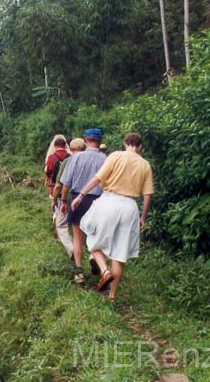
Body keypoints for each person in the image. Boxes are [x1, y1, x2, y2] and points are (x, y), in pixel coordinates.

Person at [72, 133, 154, 301]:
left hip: (109, 201)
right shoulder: (145, 165)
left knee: (92, 239)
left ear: (125, 143)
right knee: (120, 252)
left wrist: (81, 195)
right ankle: (112, 295)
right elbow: (147, 196)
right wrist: (143, 217)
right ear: (140, 147)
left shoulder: (115, 156)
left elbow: (97, 178)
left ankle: (104, 270)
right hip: (130, 207)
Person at [60, 128, 107, 284]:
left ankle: (79, 272)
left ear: (86, 141)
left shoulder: (76, 158)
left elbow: (66, 183)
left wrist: (62, 201)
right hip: (99, 201)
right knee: (97, 235)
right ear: (100, 142)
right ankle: (96, 260)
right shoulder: (105, 159)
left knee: (78, 237)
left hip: (78, 199)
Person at [51, 138, 85, 259]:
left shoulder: (67, 161)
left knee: (61, 225)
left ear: (70, 149)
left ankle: (72, 250)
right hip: (87, 198)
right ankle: (93, 256)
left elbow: (59, 184)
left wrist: (55, 199)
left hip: (69, 197)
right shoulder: (91, 160)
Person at [44, 135, 70, 214]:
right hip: (67, 185)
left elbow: (48, 171)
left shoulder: (51, 157)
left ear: (55, 146)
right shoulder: (70, 156)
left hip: (55, 185)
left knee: (57, 204)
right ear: (65, 146)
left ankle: (58, 218)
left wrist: (48, 180)